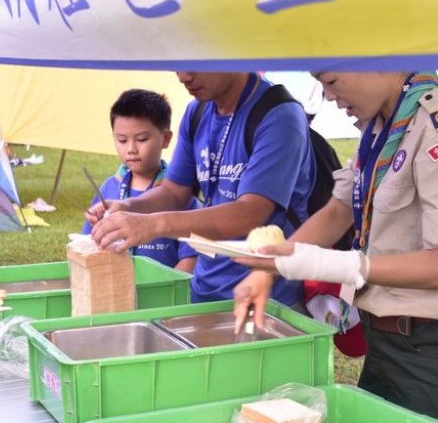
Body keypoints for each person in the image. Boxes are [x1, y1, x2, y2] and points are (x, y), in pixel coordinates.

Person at [232, 71, 438, 423]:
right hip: (387, 346)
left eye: (331, 80)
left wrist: (341, 265)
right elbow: (339, 210)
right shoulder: (384, 126)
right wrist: (271, 268)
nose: (328, 97)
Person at [88, 71, 314, 305]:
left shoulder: (279, 116)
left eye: (193, 63)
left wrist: (152, 224)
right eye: (177, 65)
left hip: (268, 297)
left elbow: (249, 214)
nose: (183, 76)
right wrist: (129, 206)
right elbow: (174, 192)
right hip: (204, 287)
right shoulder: (197, 111)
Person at [82, 89, 198, 272]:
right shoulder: (108, 189)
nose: (131, 149)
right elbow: (89, 247)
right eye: (122, 140)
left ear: (166, 139)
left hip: (165, 295)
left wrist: (166, 293)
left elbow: (191, 259)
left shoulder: (180, 195)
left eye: (142, 139)